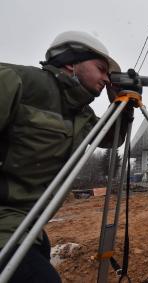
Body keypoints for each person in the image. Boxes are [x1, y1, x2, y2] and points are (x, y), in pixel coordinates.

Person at [0, 31, 127, 282]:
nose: (105, 78)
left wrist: (120, 103)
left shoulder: (81, 113)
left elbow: (111, 139)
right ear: (71, 62)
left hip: (30, 226)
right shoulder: (16, 81)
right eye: (101, 69)